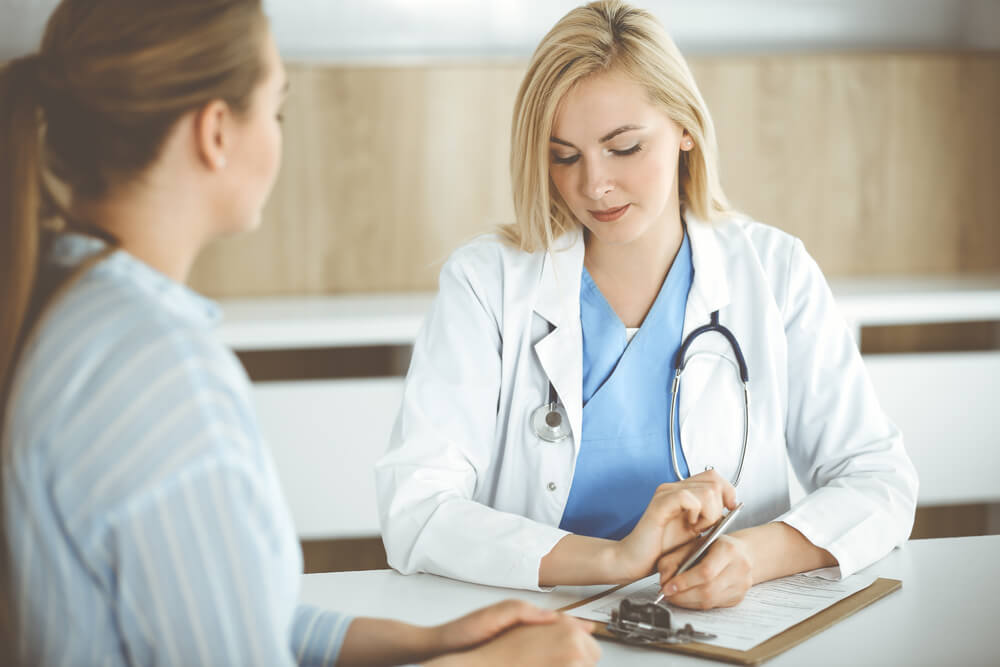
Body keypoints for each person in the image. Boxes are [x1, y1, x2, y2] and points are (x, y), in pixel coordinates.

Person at [0, 1, 602, 664]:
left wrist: (426, 642)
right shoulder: (162, 377)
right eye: (276, 109)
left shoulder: (60, 303)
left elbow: (235, 612)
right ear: (216, 133)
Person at [376, 0, 919, 609]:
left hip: (722, 624)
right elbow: (415, 508)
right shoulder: (486, 283)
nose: (594, 184)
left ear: (685, 127)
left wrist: (748, 556)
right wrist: (614, 559)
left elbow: (879, 481)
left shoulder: (775, 272)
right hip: (542, 627)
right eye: (564, 156)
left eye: (625, 147)